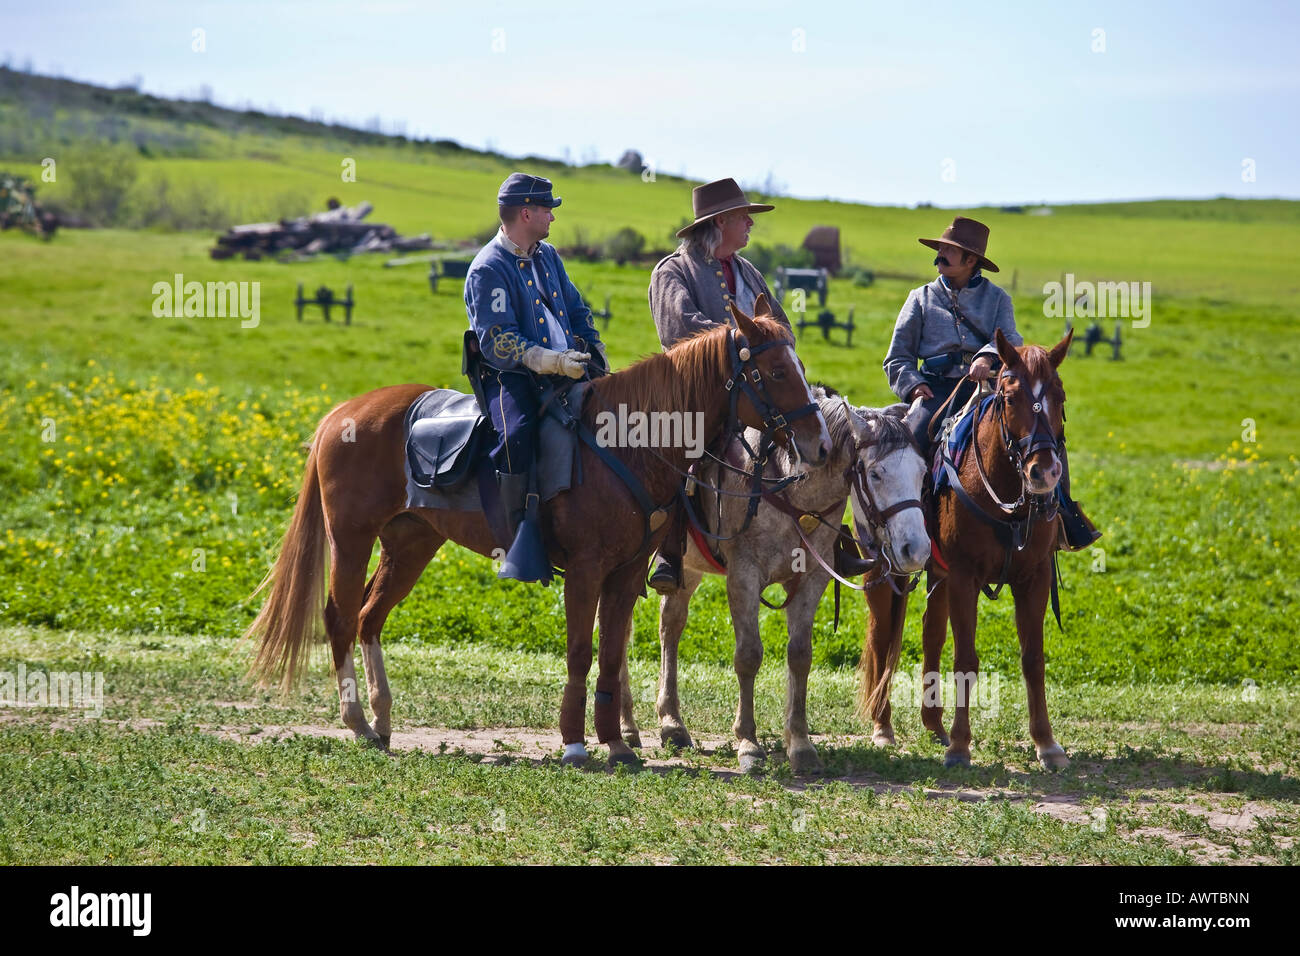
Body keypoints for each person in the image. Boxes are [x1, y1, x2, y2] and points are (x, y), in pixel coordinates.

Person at [882, 216, 1099, 551]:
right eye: (940, 248)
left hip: (991, 390)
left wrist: (986, 356)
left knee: (1044, 433)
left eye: (949, 250)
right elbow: (897, 358)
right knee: (907, 443)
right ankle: (906, 524)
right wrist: (912, 386)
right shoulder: (920, 299)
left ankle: (1064, 516)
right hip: (935, 390)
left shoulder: (998, 299)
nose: (940, 254)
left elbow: (1010, 339)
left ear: (971, 261)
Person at [645, 178, 792, 593]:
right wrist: (744, 346)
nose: (750, 223)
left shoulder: (749, 271)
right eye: (744, 216)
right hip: (695, 393)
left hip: (758, 392)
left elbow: (780, 327)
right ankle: (668, 553)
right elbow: (679, 331)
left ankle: (822, 540)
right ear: (721, 221)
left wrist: (777, 352)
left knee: (813, 436)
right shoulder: (672, 271)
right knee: (680, 450)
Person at [464, 173, 608, 580]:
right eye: (547, 209)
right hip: (509, 378)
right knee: (517, 435)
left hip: (567, 367)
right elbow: (498, 341)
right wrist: (552, 362)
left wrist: (595, 351)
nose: (552, 217)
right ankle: (520, 536)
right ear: (525, 213)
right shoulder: (487, 269)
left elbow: (578, 310)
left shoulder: (549, 256)